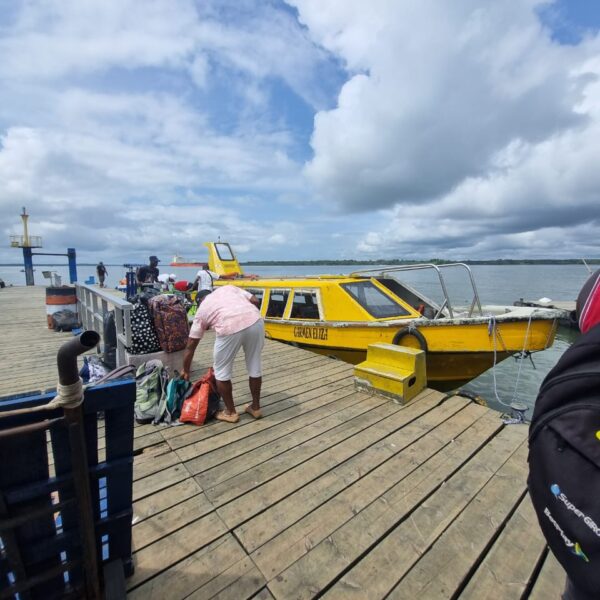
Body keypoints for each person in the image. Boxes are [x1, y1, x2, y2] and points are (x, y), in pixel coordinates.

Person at [181, 285, 264, 423]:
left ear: (199, 301)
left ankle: (230, 412)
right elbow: (255, 300)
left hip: (229, 326)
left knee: (221, 371)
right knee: (254, 364)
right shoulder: (228, 288)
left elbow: (191, 346)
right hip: (256, 321)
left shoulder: (202, 309)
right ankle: (255, 408)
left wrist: (186, 369)